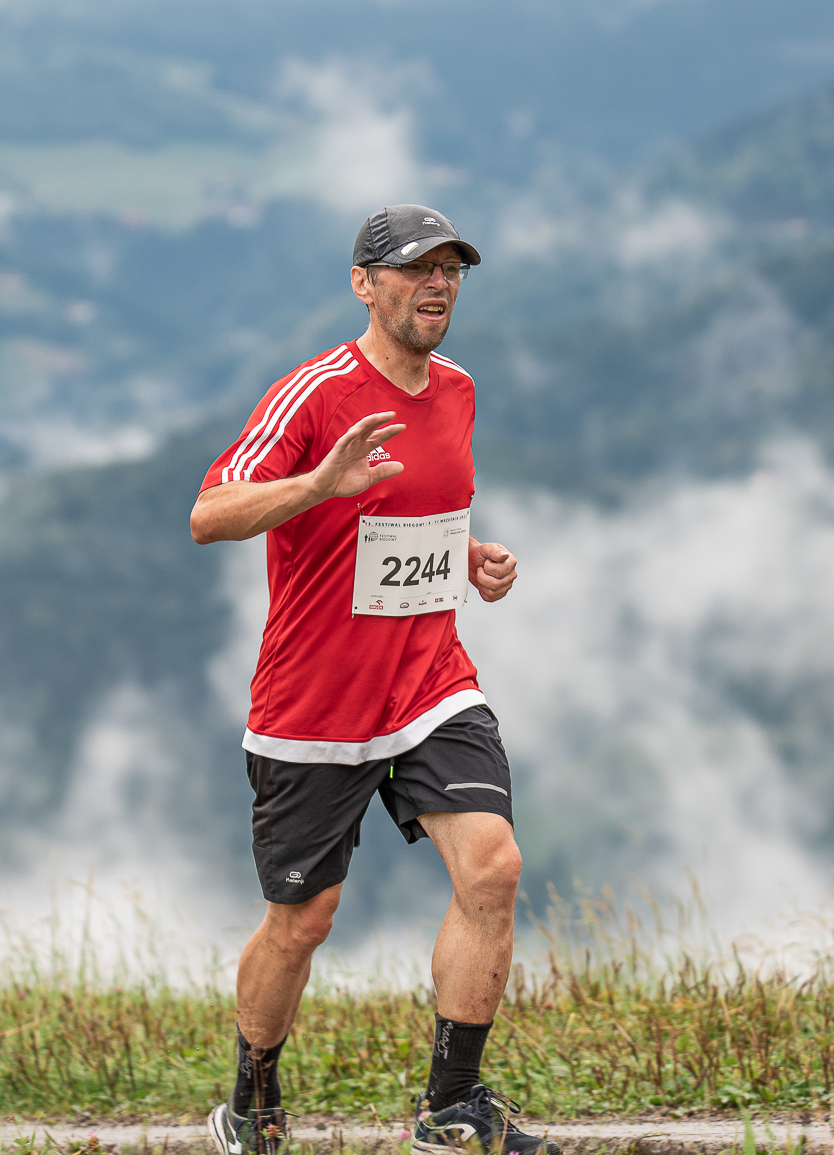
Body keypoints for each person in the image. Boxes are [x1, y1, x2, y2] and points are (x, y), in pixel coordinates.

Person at [190, 205, 560, 1155]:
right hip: (315, 703)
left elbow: (417, 516)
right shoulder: (315, 393)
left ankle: (452, 1103)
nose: (438, 283)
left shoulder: (460, 389)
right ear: (363, 283)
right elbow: (210, 513)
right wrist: (319, 485)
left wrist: (471, 557)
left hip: (430, 680)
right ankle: (251, 1102)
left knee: (494, 866)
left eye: (452, 269)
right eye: (415, 268)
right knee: (302, 920)